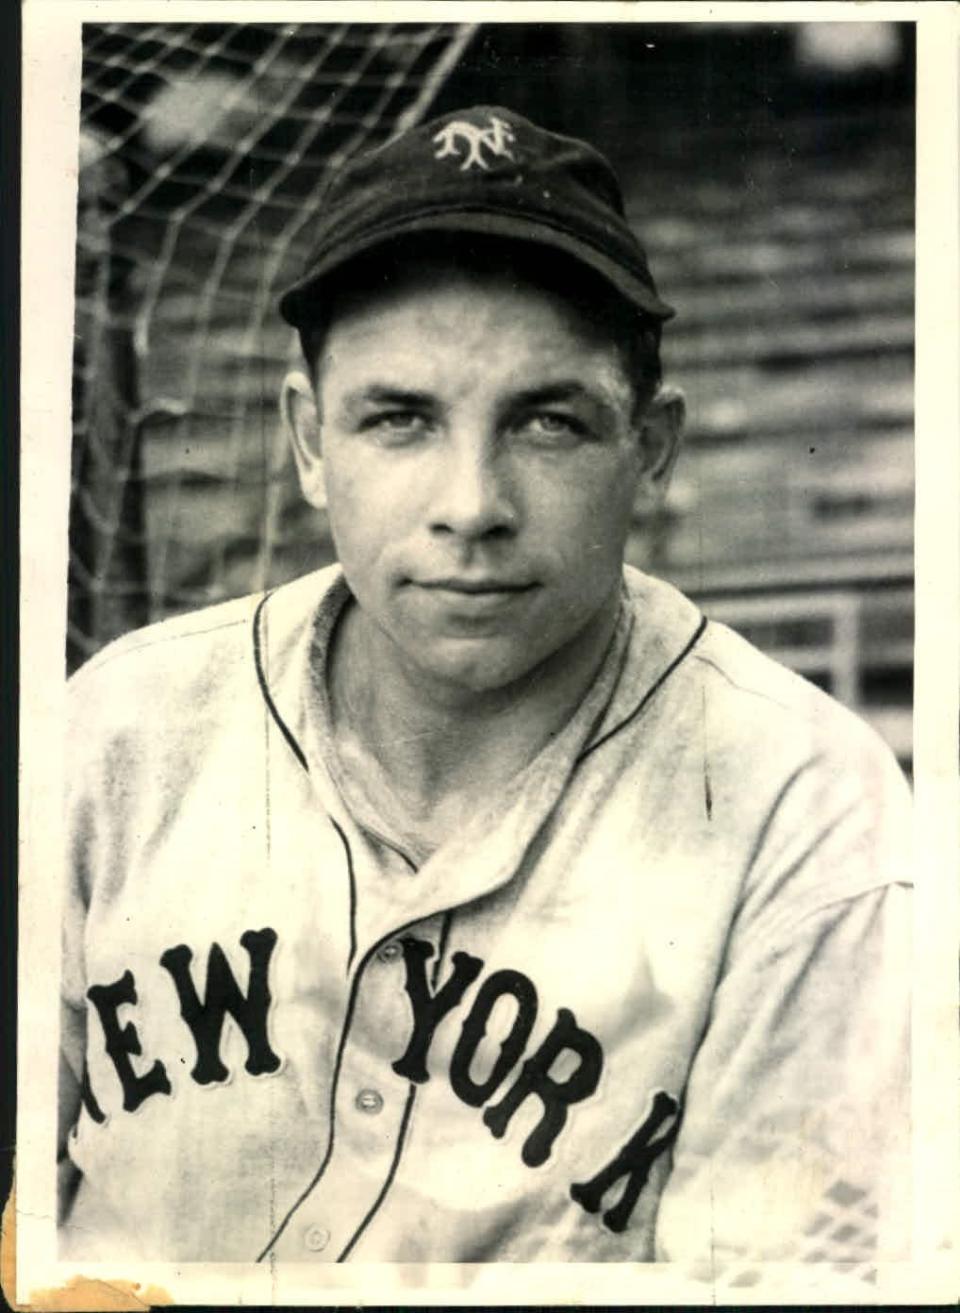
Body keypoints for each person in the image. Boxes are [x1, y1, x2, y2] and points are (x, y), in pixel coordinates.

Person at [58, 105, 911, 1273]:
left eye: (547, 421)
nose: (472, 503)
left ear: (651, 452)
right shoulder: (119, 727)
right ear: (310, 442)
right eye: (399, 419)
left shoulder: (801, 807)